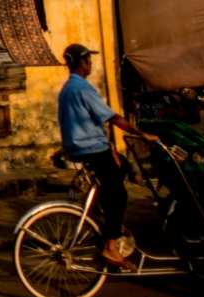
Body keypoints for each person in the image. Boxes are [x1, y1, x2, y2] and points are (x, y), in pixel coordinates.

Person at [57, 43, 158, 272]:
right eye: (88, 61)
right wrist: (141, 134)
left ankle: (108, 225)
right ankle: (110, 245)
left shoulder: (67, 89)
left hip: (80, 147)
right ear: (82, 63)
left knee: (120, 168)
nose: (91, 64)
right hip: (91, 148)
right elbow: (112, 117)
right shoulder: (82, 88)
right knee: (119, 195)